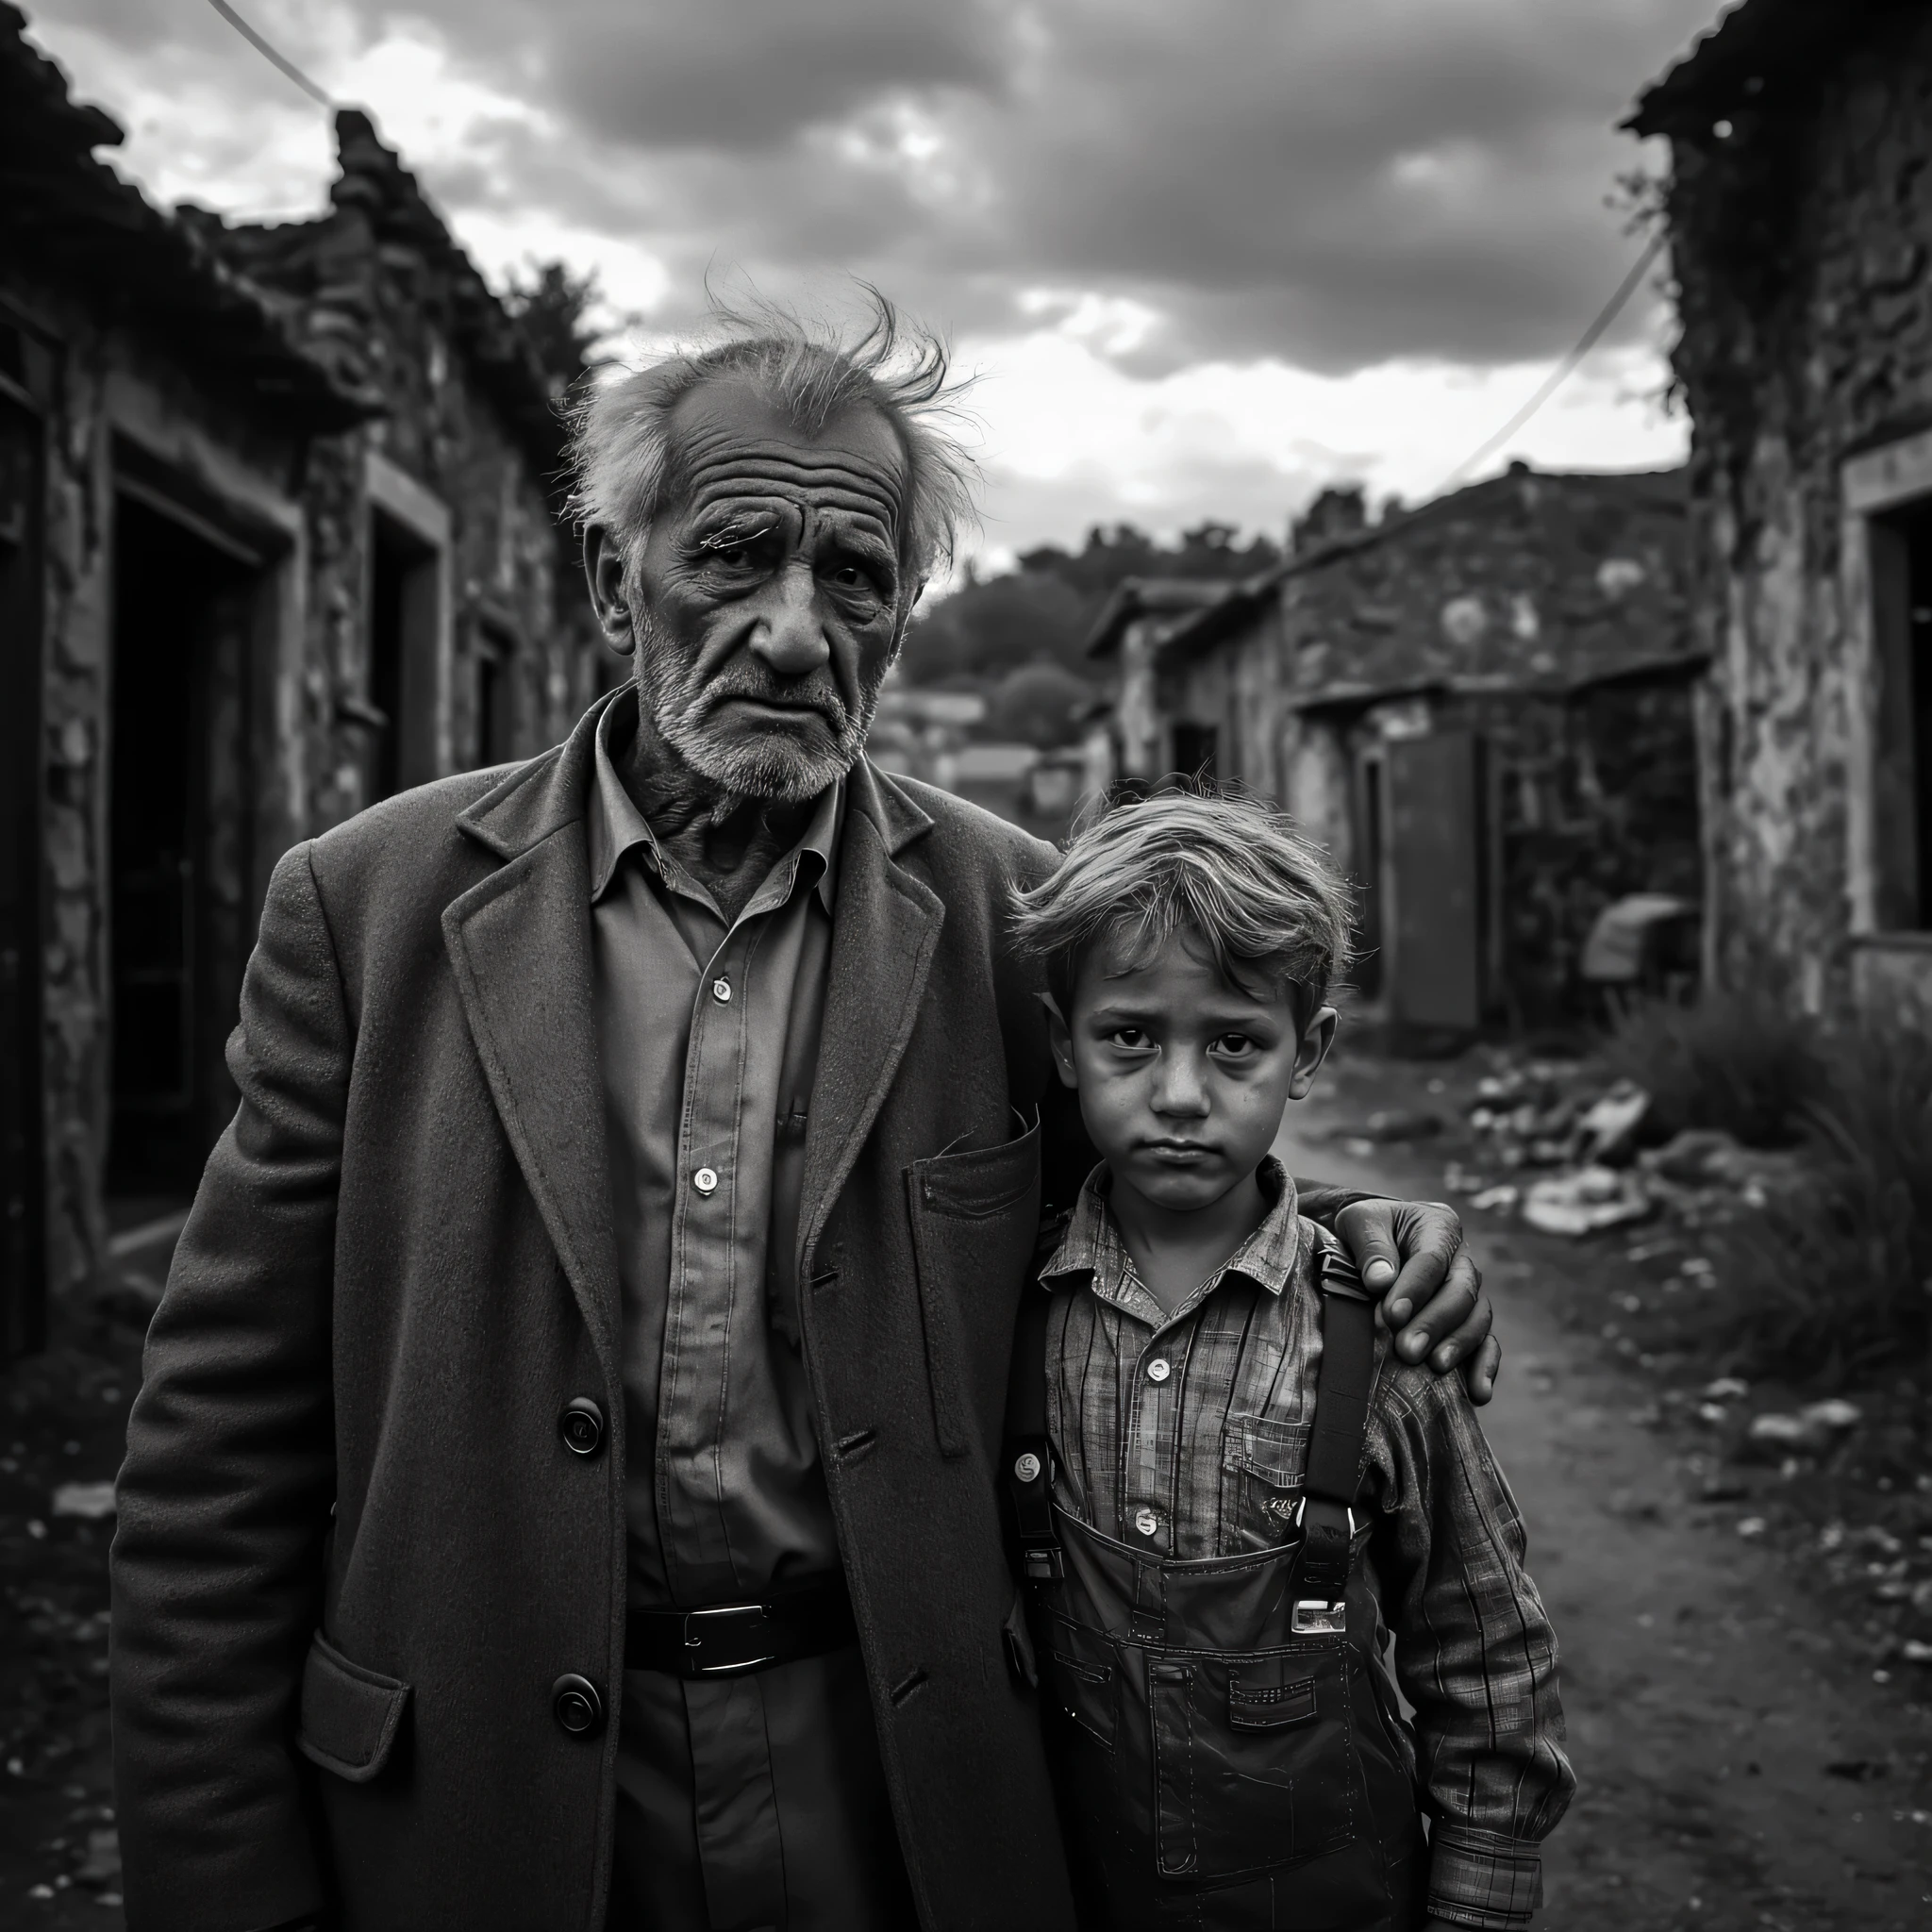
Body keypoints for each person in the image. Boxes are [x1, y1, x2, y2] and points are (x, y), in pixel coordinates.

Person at [108, 297, 1499, 1932]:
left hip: (893, 1799)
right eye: (731, 556)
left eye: (853, 576)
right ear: (613, 578)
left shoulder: (1013, 919)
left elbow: (1157, 1183)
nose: (790, 629)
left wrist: (1341, 1231)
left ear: (901, 619)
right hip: (467, 1798)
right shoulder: (369, 910)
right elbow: (217, 1454)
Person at [1007, 791, 1573, 1931]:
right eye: (1127, 1035)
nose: (1177, 1092)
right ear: (1061, 1042)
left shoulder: (1384, 1342)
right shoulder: (1010, 1312)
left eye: (1232, 1042)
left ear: (1303, 1052)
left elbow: (1486, 1653)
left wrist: (1478, 1897)